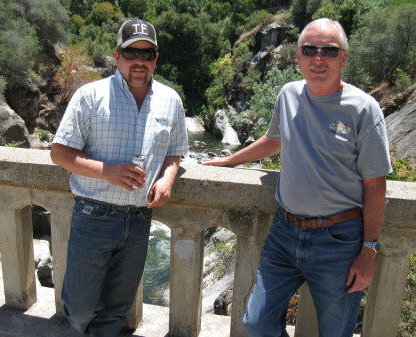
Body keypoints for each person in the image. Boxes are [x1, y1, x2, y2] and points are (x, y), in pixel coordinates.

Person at [203, 18, 392, 337]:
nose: (318, 58)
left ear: (343, 58)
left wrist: (368, 250)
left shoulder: (363, 109)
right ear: (298, 57)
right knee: (257, 322)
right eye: (309, 50)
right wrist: (229, 161)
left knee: (335, 331)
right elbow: (274, 140)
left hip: (338, 240)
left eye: (329, 51)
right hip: (284, 232)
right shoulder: (288, 94)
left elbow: (375, 185)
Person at [50, 19, 188, 337]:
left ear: (156, 58)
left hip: (139, 219)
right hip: (93, 215)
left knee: (116, 309)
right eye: (131, 53)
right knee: (81, 308)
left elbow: (174, 152)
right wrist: (107, 171)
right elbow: (60, 154)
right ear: (117, 56)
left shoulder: (171, 100)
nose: (140, 61)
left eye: (148, 54)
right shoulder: (90, 96)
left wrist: (167, 179)